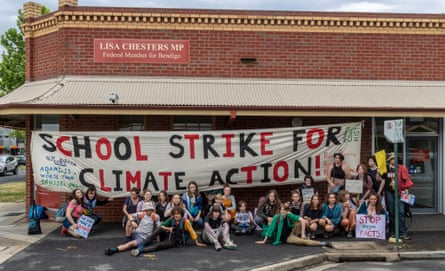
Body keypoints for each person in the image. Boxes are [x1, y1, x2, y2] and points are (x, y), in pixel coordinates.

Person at [130, 206, 206, 256]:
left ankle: (140, 251)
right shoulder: (172, 218)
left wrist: (197, 242)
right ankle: (142, 244)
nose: (176, 215)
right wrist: (168, 229)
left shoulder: (186, 221)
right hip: (170, 235)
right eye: (175, 214)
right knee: (159, 229)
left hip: (176, 241)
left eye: (178, 214)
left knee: (159, 245)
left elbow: (192, 231)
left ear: (181, 214)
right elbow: (161, 226)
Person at [255, 203, 332, 247]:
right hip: (287, 238)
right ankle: (322, 243)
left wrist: (302, 234)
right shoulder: (276, 217)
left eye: (284, 210)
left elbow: (302, 220)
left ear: (287, 211)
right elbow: (270, 229)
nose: (283, 212)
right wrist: (264, 241)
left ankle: (304, 234)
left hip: (292, 231)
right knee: (302, 242)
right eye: (281, 210)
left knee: (300, 221)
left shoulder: (289, 214)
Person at [383, 153, 413, 240]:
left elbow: (406, 180)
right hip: (389, 191)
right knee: (391, 212)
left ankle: (402, 232)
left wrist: (406, 190)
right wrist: (378, 172)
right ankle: (392, 232)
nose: (394, 160)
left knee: (400, 212)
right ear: (389, 160)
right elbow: (379, 179)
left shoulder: (402, 168)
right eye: (392, 158)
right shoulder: (385, 168)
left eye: (395, 158)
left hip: (400, 192)